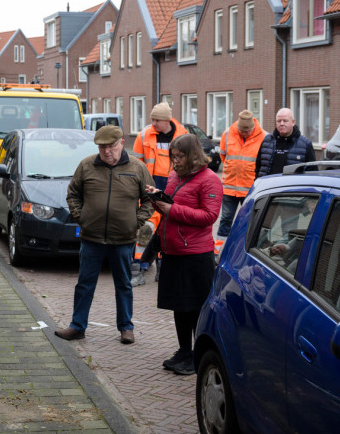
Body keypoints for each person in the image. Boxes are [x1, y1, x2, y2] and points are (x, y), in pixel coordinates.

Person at [55, 125, 154, 344]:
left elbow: (150, 199)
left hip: (123, 239)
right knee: (84, 284)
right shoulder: (87, 165)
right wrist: (82, 218)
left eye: (110, 146)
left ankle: (126, 328)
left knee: (124, 284)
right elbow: (73, 193)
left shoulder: (137, 168)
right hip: (92, 238)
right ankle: (77, 326)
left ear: (120, 143)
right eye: (101, 147)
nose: (106, 151)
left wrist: (135, 222)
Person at [148, 134, 223, 376]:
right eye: (173, 157)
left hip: (195, 254)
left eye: (179, 157)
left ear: (192, 156)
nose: (175, 162)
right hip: (174, 250)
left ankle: (197, 356)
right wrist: (157, 198)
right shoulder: (174, 176)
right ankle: (183, 351)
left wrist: (173, 209)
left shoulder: (210, 180)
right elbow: (170, 205)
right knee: (179, 305)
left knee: (195, 307)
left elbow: (209, 216)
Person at [131, 102, 188, 286]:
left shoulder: (184, 136)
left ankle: (162, 269)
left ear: (167, 120)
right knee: (146, 228)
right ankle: (137, 269)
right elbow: (136, 163)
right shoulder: (144, 135)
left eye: (156, 120)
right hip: (149, 187)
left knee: (166, 229)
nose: (153, 123)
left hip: (173, 188)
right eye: (152, 119)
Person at [217, 110, 265, 238]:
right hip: (229, 187)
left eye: (247, 131)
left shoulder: (264, 137)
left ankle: (241, 247)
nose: (244, 134)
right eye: (241, 131)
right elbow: (223, 156)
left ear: (253, 128)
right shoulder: (228, 134)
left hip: (250, 189)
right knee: (226, 219)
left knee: (248, 221)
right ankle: (219, 248)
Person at [255, 108, 316, 177]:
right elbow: (258, 167)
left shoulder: (305, 144)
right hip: (268, 186)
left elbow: (312, 172)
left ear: (293, 122)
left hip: (291, 187)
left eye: (285, 121)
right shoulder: (267, 141)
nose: (281, 124)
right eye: (279, 121)